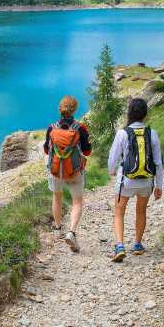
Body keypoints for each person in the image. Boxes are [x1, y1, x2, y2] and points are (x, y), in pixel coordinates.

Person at [107, 98, 164, 262]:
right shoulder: (152, 133)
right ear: (145, 114)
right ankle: (137, 244)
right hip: (146, 181)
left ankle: (119, 245)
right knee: (141, 211)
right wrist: (159, 186)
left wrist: (112, 171)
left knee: (119, 212)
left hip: (126, 181)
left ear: (130, 112)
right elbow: (158, 162)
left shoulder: (122, 133)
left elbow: (113, 158)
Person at [43, 95, 91, 253]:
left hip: (56, 170)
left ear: (60, 109)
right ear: (74, 109)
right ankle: (71, 232)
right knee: (77, 201)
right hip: (74, 171)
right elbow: (87, 151)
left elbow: (45, 149)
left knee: (57, 197)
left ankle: (57, 229)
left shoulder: (52, 127)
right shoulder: (80, 128)